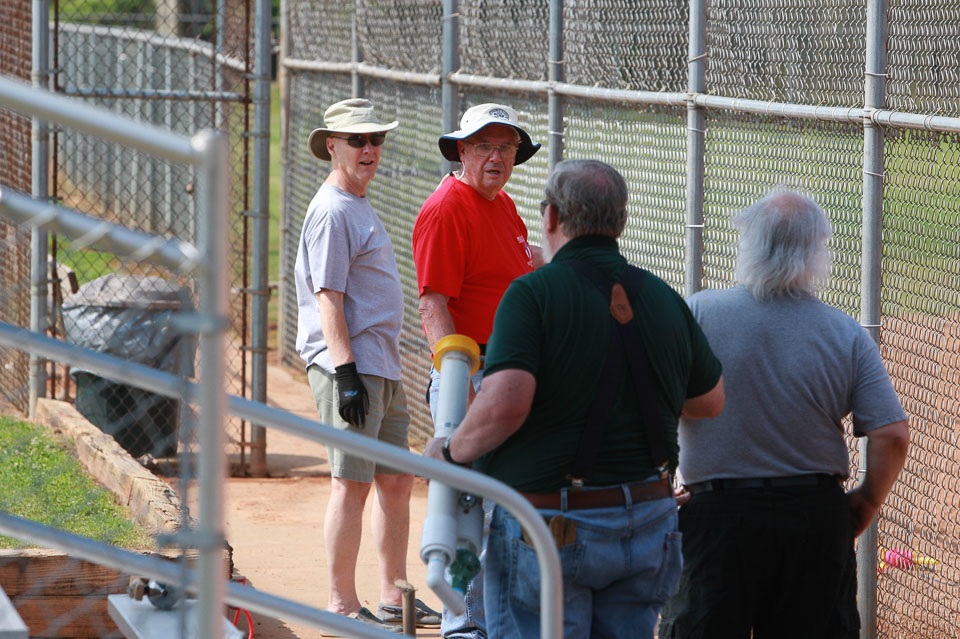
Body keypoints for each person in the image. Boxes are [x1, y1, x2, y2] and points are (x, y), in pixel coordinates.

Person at [425, 159, 725, 639]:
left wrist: (451, 451)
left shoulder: (532, 294)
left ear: (550, 217)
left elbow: (506, 404)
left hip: (552, 523)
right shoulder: (662, 297)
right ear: (620, 221)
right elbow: (710, 401)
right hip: (649, 518)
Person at [658, 190, 910, 639]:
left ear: (748, 244)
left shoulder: (697, 313)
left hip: (716, 517)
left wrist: (657, 482)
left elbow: (652, 403)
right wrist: (867, 500)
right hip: (814, 516)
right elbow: (892, 434)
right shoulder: (844, 331)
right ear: (816, 251)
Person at [294, 98, 439, 633]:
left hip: (381, 365)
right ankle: (341, 604)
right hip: (351, 367)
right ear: (332, 145)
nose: (369, 148)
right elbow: (327, 297)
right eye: (357, 140)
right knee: (350, 484)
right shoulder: (333, 210)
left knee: (396, 481)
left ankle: (392, 596)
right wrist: (346, 373)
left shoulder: (357, 203)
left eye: (376, 139)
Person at [412, 102, 543, 639]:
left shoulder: (502, 204)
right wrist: (458, 389)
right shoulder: (449, 207)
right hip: (472, 374)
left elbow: (522, 266)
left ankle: (494, 622)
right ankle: (464, 627)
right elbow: (433, 304)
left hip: (505, 374)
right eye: (485, 146)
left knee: (502, 506)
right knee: (472, 508)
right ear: (462, 151)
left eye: (506, 148)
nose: (496, 157)